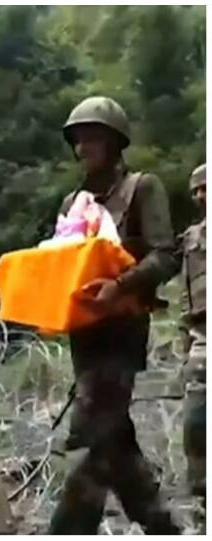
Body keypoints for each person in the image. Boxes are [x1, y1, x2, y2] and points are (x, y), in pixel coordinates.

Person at [49, 96, 180, 534]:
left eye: (92, 137)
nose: (82, 147)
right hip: (84, 336)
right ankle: (162, 526)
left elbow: (167, 256)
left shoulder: (143, 188)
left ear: (114, 141)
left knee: (88, 441)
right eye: (78, 139)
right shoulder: (74, 201)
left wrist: (120, 286)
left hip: (122, 333)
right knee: (114, 441)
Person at [176, 163, 206, 497]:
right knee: (196, 418)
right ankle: (202, 489)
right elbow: (186, 286)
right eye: (196, 189)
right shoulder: (193, 237)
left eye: (206, 187)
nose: (201, 195)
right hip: (202, 334)